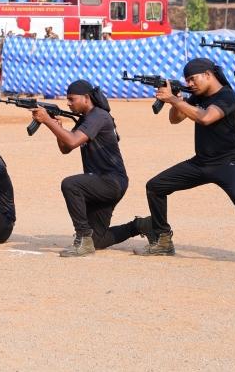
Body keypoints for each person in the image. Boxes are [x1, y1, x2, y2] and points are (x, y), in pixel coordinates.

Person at [135, 58, 235, 265]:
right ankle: (163, 240)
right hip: (201, 163)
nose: (190, 83)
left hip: (228, 163)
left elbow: (206, 118)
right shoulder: (196, 96)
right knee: (155, 186)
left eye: (192, 79)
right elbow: (176, 119)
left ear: (208, 75)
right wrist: (177, 98)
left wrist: (174, 100)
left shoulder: (227, 96)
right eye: (186, 80)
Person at [32, 80, 150, 257]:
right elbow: (66, 148)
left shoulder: (98, 116)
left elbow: (72, 140)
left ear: (86, 98)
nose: (68, 103)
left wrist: (48, 120)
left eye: (72, 99)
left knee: (71, 185)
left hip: (111, 181)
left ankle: (83, 237)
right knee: (98, 241)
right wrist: (57, 127)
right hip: (101, 181)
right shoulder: (86, 119)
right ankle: (140, 225)